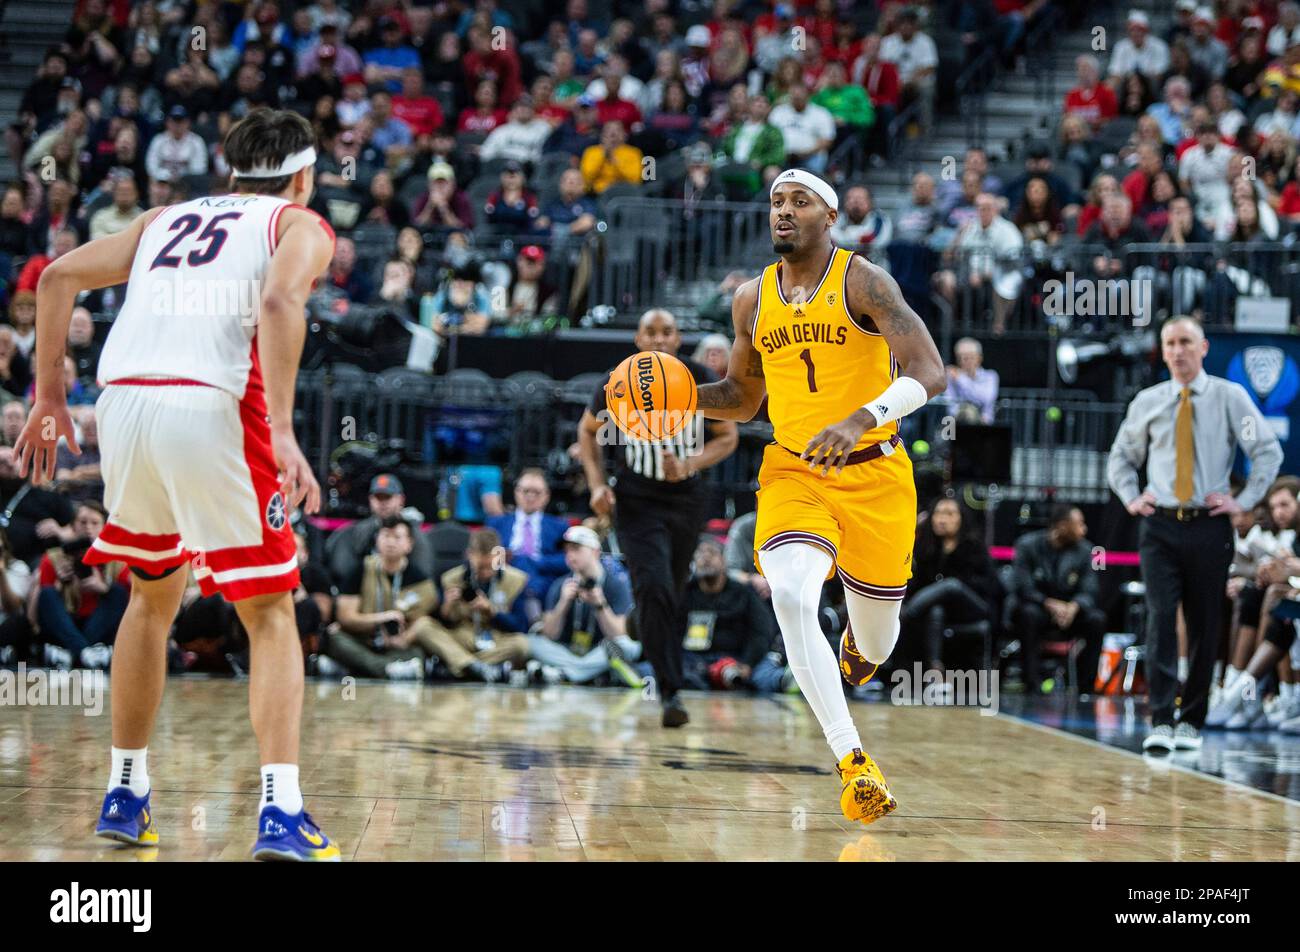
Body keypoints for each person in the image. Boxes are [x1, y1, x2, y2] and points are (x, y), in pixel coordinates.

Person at [13, 108, 340, 860]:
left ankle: (126, 791)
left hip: (123, 405)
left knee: (152, 595)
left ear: (231, 170)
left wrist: (50, 400)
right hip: (213, 406)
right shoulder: (299, 223)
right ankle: (282, 811)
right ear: (302, 175)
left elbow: (59, 275)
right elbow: (281, 302)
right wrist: (285, 431)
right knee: (269, 611)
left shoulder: (167, 217)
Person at [695, 168, 946, 824]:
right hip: (795, 472)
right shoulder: (750, 298)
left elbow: (931, 371)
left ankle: (859, 651)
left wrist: (863, 417)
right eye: (776, 201)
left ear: (829, 216)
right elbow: (746, 398)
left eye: (799, 201)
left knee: (880, 642)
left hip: (876, 476)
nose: (783, 211)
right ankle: (853, 761)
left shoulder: (863, 280)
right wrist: (677, 398)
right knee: (792, 592)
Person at [1107, 316, 1283, 753]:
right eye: (1170, 343)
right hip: (1160, 523)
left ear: (1203, 347)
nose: (1178, 351)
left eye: (1186, 342)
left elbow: (1266, 449)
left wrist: (1244, 502)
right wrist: (1132, 497)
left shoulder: (1229, 397)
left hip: (1208, 524)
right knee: (1161, 615)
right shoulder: (1148, 401)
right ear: (1162, 351)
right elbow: (1121, 458)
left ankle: (1192, 719)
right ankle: (1162, 718)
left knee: (1204, 620)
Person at [577, 309, 738, 727]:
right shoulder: (616, 381)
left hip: (686, 497)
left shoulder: (701, 377)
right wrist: (596, 484)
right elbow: (587, 432)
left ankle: (638, 620)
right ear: (637, 338)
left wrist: (689, 464)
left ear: (678, 338)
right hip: (636, 498)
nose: (660, 339)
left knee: (670, 589)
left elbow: (727, 437)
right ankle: (670, 691)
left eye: (667, 332)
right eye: (651, 331)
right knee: (654, 585)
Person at [319, 515, 435, 681]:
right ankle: (386, 669)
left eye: (397, 537)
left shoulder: (420, 579)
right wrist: (381, 618)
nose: (390, 542)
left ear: (409, 544)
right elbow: (346, 617)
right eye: (386, 536)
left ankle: (354, 667)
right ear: (377, 540)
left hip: (396, 644)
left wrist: (404, 637)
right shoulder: (360, 570)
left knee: (418, 653)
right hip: (363, 639)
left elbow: (423, 619)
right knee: (334, 637)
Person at [1006, 504, 1106, 693]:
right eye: (1079, 524)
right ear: (1061, 526)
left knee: (1096, 620)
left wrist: (1073, 607)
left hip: (1070, 612)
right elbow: (1022, 587)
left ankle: (1085, 688)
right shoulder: (1027, 545)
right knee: (1028, 614)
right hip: (1038, 608)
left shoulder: (1085, 551)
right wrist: (1050, 604)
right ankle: (1032, 684)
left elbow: (1090, 589)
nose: (1084, 529)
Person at [529, 524, 641, 684]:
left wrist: (600, 605)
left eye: (576, 549)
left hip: (600, 650)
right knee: (533, 642)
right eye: (567, 550)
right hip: (568, 650)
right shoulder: (560, 585)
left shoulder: (616, 584)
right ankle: (585, 672)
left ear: (595, 552)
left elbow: (620, 633)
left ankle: (564, 674)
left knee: (628, 646)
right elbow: (549, 635)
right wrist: (563, 603)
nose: (570, 555)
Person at [32, 500, 130, 671]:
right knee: (47, 593)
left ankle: (76, 652)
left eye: (95, 523)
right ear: (72, 526)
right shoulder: (53, 559)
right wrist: (60, 584)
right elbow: (34, 617)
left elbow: (131, 610)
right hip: (66, 624)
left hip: (100, 626)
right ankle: (85, 653)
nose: (88, 528)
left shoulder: (118, 561)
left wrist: (103, 589)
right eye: (82, 522)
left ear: (104, 527)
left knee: (117, 592)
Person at [902, 498, 997, 674]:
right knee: (936, 610)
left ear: (961, 518)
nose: (942, 519)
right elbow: (916, 583)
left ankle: (907, 614)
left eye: (949, 514)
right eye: (938, 513)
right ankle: (935, 672)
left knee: (951, 585)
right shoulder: (926, 547)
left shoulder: (974, 546)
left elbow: (989, 585)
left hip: (972, 605)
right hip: (939, 608)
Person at [424, 528, 530, 681]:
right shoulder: (451, 578)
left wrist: (492, 611)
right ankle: (481, 667)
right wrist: (446, 607)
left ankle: (459, 666)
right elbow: (441, 623)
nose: (486, 572)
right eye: (481, 567)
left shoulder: (517, 579)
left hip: (496, 639)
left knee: (522, 645)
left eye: (491, 566)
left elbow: (521, 626)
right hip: (462, 637)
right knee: (424, 626)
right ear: (469, 555)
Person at [681, 536, 785, 692]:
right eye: (700, 553)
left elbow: (761, 632)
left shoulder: (743, 593)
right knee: (667, 671)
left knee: (764, 676)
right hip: (693, 661)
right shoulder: (685, 593)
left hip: (737, 660)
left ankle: (787, 681)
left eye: (712, 553)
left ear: (724, 561)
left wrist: (747, 664)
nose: (705, 558)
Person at [325, 473, 434, 586]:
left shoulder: (414, 533)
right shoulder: (357, 530)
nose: (383, 503)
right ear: (370, 500)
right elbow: (343, 570)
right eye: (378, 497)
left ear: (401, 499)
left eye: (388, 497)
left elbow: (423, 574)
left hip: (404, 592)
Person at [486, 467, 570, 613]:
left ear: (546, 496)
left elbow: (567, 559)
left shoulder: (559, 526)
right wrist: (502, 557)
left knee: (526, 563)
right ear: (516, 492)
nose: (530, 497)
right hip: (505, 576)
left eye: (536, 492)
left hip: (543, 577)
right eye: (526, 491)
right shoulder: (496, 523)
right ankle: (533, 618)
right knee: (520, 563)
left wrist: (535, 562)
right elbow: (484, 554)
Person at [944, 337, 998, 423]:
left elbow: (985, 399)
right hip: (956, 424)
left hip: (984, 425)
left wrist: (961, 379)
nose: (967, 361)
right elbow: (950, 403)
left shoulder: (991, 376)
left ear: (979, 358)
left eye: (971, 357)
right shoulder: (951, 377)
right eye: (962, 358)